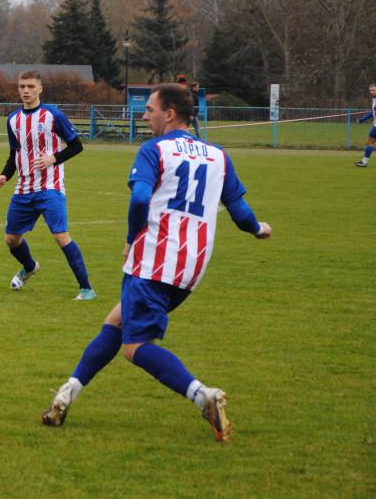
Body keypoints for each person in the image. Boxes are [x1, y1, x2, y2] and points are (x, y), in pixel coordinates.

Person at [40, 83, 273, 441]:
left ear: (171, 114)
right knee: (116, 322)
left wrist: (132, 239)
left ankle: (202, 396)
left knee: (135, 348)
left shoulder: (154, 150)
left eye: (150, 109)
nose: (144, 115)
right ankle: (68, 391)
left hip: (151, 261)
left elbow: (139, 201)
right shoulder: (218, 156)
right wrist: (258, 228)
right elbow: (240, 212)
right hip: (190, 269)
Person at [0, 70, 95, 300]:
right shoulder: (13, 119)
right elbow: (14, 154)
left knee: (61, 236)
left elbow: (76, 145)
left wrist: (53, 158)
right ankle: (29, 267)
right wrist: (4, 175)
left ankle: (86, 288)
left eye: (30, 86)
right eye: (22, 86)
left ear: (40, 89)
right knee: (11, 239)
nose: (26, 90)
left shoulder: (53, 115)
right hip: (23, 189)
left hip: (50, 187)